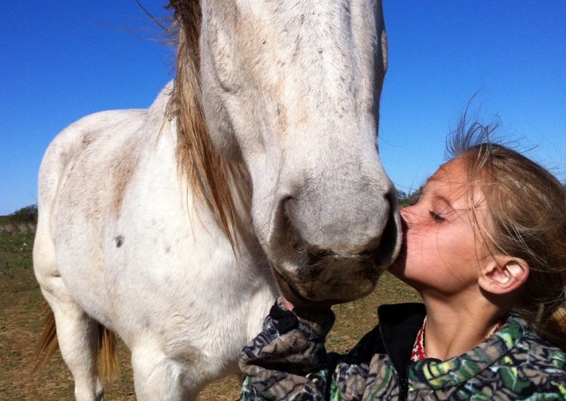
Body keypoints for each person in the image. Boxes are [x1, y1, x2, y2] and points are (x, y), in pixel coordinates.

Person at [237, 122, 566, 400]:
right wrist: (305, 303)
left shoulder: (544, 384)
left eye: (437, 215)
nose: (401, 214)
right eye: (418, 199)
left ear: (499, 273)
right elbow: (277, 389)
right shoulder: (380, 351)